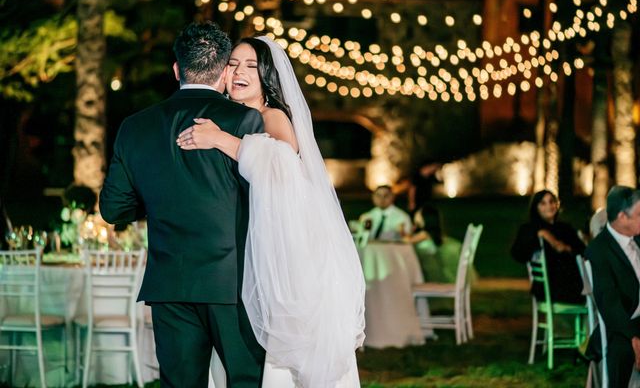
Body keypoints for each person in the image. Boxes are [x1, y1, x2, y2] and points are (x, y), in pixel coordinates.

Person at [176, 36, 365, 387]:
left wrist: (221, 140)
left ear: (267, 76)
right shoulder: (229, 118)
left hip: (283, 255)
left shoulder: (271, 115)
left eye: (251, 65)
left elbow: (281, 165)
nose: (240, 72)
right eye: (233, 63)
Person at [99, 22, 266, 387]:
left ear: (177, 69)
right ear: (224, 72)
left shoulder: (134, 126)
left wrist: (155, 199)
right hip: (232, 282)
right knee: (247, 381)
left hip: (170, 281)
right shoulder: (244, 119)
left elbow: (114, 210)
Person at [585, 185, 640, 387]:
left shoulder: (638, 239)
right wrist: (633, 336)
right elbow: (609, 303)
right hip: (621, 325)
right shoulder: (598, 251)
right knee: (622, 351)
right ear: (622, 217)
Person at [510, 189, 585, 304]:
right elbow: (518, 253)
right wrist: (540, 234)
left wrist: (564, 247)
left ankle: (593, 319)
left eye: (551, 201)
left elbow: (583, 251)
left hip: (570, 283)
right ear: (536, 207)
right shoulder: (530, 228)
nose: (549, 206)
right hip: (548, 287)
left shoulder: (565, 228)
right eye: (543, 203)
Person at [409, 203, 475, 284]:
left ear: (425, 218)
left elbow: (406, 241)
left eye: (419, 212)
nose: (416, 214)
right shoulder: (430, 234)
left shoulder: (424, 234)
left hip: (433, 277)